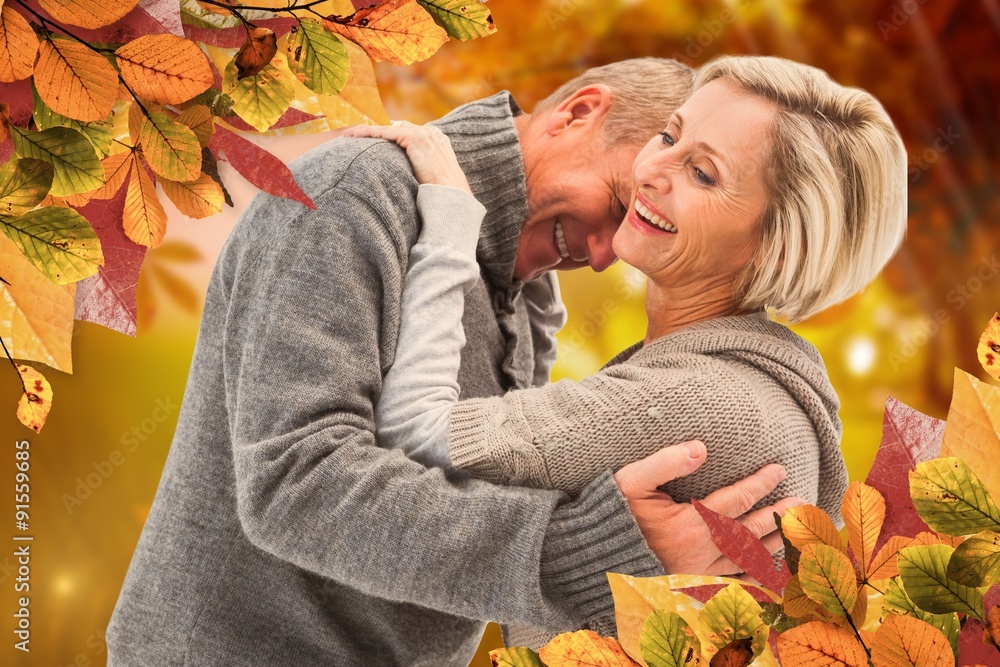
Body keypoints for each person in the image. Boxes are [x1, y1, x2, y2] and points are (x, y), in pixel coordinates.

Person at [106, 59, 798, 667]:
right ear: (580, 113)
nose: (603, 255)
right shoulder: (356, 192)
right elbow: (296, 485)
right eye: (618, 206)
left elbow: (466, 484)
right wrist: (591, 552)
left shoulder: (529, 288)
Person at [347, 54, 908, 647]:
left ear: (775, 248)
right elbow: (535, 451)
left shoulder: (700, 403)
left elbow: (414, 435)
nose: (652, 170)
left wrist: (453, 222)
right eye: (669, 134)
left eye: (704, 174)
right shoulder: (754, 383)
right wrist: (527, 264)